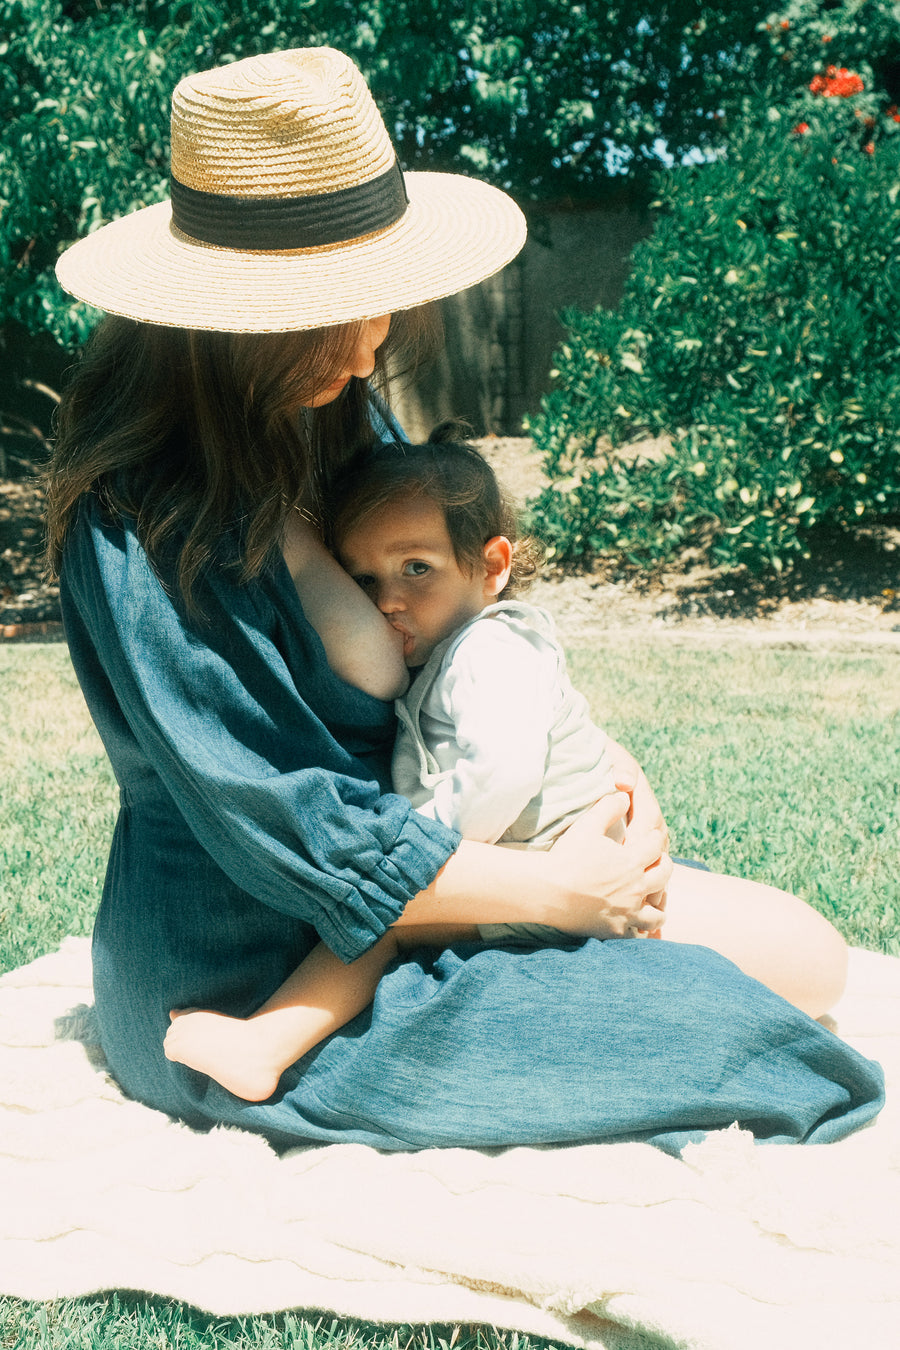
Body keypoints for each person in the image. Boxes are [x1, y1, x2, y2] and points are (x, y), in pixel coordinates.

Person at [48, 45, 882, 1153]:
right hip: (260, 973)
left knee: (807, 956)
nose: (368, 347)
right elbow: (289, 832)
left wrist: (614, 781)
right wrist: (561, 898)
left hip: (445, 865)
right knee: (763, 1043)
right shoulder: (143, 525)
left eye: (372, 302)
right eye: (328, 313)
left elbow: (467, 631)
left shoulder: (330, 416)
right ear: (220, 323)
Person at [162, 437, 856, 1101]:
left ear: (492, 567)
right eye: (364, 578)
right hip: (546, 859)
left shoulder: (486, 652)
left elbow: (502, 773)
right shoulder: (453, 652)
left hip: (549, 857)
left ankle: (266, 1044)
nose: (387, 600)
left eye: (416, 569)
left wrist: (421, 849)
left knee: (393, 920)